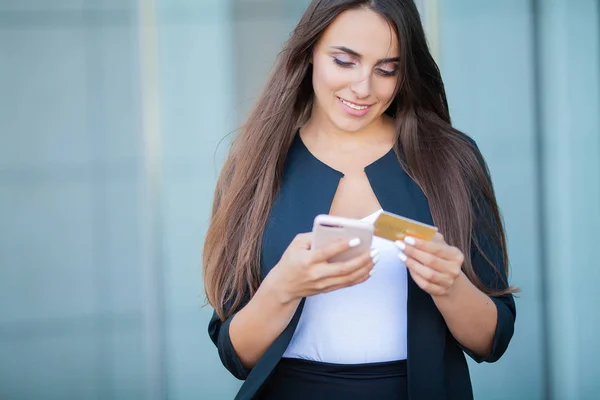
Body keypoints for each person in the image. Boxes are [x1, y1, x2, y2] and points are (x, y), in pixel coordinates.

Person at [203, 0, 517, 399]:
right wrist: (283, 287)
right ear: (310, 52)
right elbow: (234, 355)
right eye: (345, 61)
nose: (363, 88)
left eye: (387, 69)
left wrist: (449, 285)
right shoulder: (256, 166)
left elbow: (493, 340)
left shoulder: (451, 160)